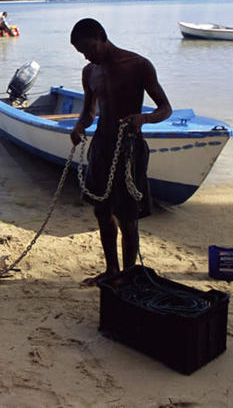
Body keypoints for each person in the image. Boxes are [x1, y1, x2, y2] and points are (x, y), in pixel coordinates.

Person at [68, 18, 172, 286]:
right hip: (101, 146)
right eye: (82, 53)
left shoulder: (138, 65)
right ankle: (111, 270)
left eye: (89, 49)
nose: (87, 56)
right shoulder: (89, 72)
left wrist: (144, 118)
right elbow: (89, 111)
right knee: (102, 212)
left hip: (129, 148)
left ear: (102, 36)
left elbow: (165, 108)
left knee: (128, 217)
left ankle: (128, 275)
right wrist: (79, 126)